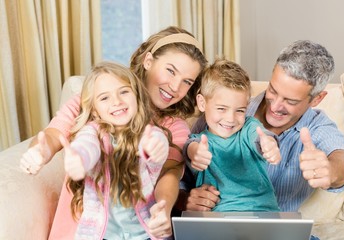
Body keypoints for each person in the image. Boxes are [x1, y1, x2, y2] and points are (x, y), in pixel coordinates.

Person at [19, 26, 207, 239]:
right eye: (170, 71)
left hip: (140, 230)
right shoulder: (96, 98)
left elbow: (170, 174)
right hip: (82, 228)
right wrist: (40, 152)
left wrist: (163, 207)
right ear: (148, 61)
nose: (174, 86)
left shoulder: (174, 126)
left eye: (187, 82)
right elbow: (54, 135)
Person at [179, 40, 344, 214]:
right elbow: (183, 174)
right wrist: (186, 199)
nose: (275, 106)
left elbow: (342, 157)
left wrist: (331, 171)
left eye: (290, 101)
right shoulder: (226, 109)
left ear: (317, 99)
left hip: (275, 228)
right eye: (272, 90)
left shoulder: (316, 126)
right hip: (222, 221)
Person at [61, 61, 170, 239]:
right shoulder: (93, 132)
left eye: (124, 92)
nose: (117, 101)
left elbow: (154, 142)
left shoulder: (148, 133)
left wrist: (154, 150)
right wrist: (79, 158)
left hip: (145, 233)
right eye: (104, 98)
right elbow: (87, 145)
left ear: (136, 96)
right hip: (101, 235)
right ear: (95, 111)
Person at [185, 58, 281, 212]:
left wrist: (268, 144)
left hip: (263, 212)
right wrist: (197, 153)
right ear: (202, 103)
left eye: (240, 110)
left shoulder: (249, 126)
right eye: (222, 108)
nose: (230, 119)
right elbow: (191, 148)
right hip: (219, 217)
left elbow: (260, 137)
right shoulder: (198, 141)